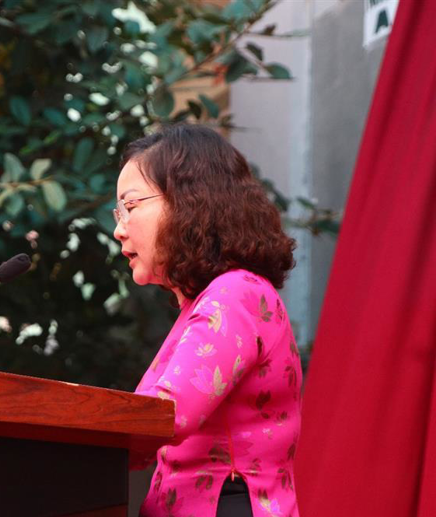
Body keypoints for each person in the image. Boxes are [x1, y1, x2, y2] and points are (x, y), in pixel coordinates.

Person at [114, 124, 302, 517]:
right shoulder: (210, 300)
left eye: (130, 207)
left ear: (188, 203)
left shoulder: (235, 293)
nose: (119, 230)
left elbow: (167, 413)